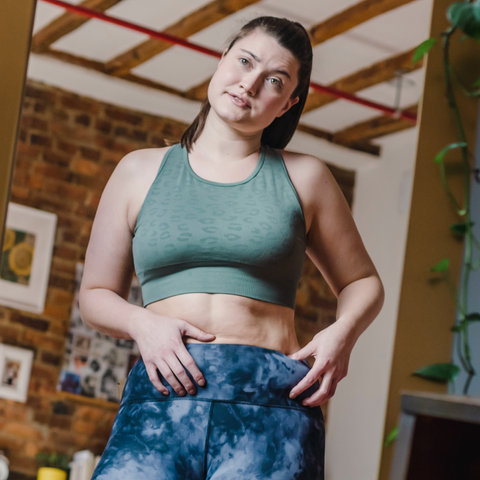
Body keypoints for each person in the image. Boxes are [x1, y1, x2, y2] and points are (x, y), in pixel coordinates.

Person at [79, 15, 384, 480]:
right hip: (162, 397)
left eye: (273, 81)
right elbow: (96, 293)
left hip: (270, 405)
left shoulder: (307, 177)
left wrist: (343, 335)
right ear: (221, 61)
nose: (249, 83)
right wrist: (143, 323)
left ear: (287, 104)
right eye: (244, 61)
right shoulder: (137, 172)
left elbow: (362, 281)